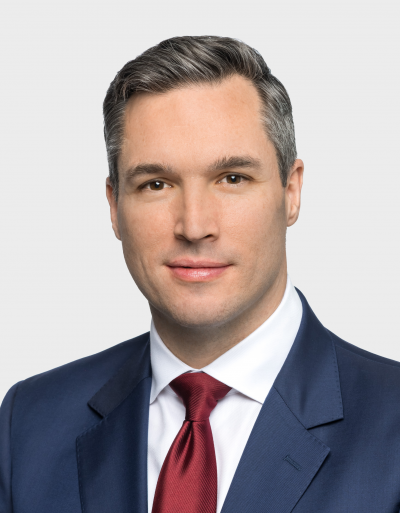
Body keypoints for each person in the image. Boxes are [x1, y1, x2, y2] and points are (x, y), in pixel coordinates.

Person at [1, 35, 400, 513]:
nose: (194, 226)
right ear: (114, 206)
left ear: (291, 192)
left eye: (232, 179)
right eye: (156, 184)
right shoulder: (29, 424)